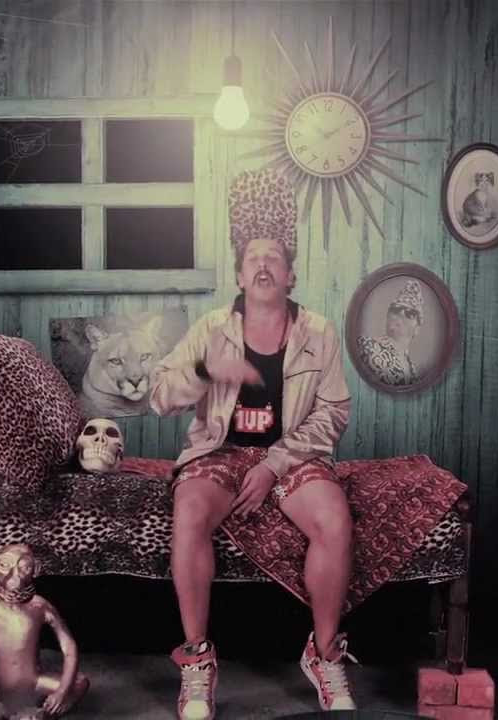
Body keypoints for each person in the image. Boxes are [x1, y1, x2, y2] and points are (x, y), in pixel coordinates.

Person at [149, 168, 356, 720]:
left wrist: (274, 463)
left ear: (291, 275)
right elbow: (160, 397)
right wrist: (204, 368)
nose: (263, 265)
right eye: (253, 258)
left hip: (290, 453)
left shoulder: (320, 332)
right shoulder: (211, 328)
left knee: (334, 518)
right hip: (218, 451)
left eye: (274, 258)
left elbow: (334, 411)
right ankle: (197, 660)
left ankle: (324, 655)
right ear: (240, 275)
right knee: (190, 511)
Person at [357, 279, 424, 387]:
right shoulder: (366, 345)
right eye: (396, 309)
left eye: (410, 313)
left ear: (417, 329)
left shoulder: (413, 371)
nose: (401, 314)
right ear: (388, 317)